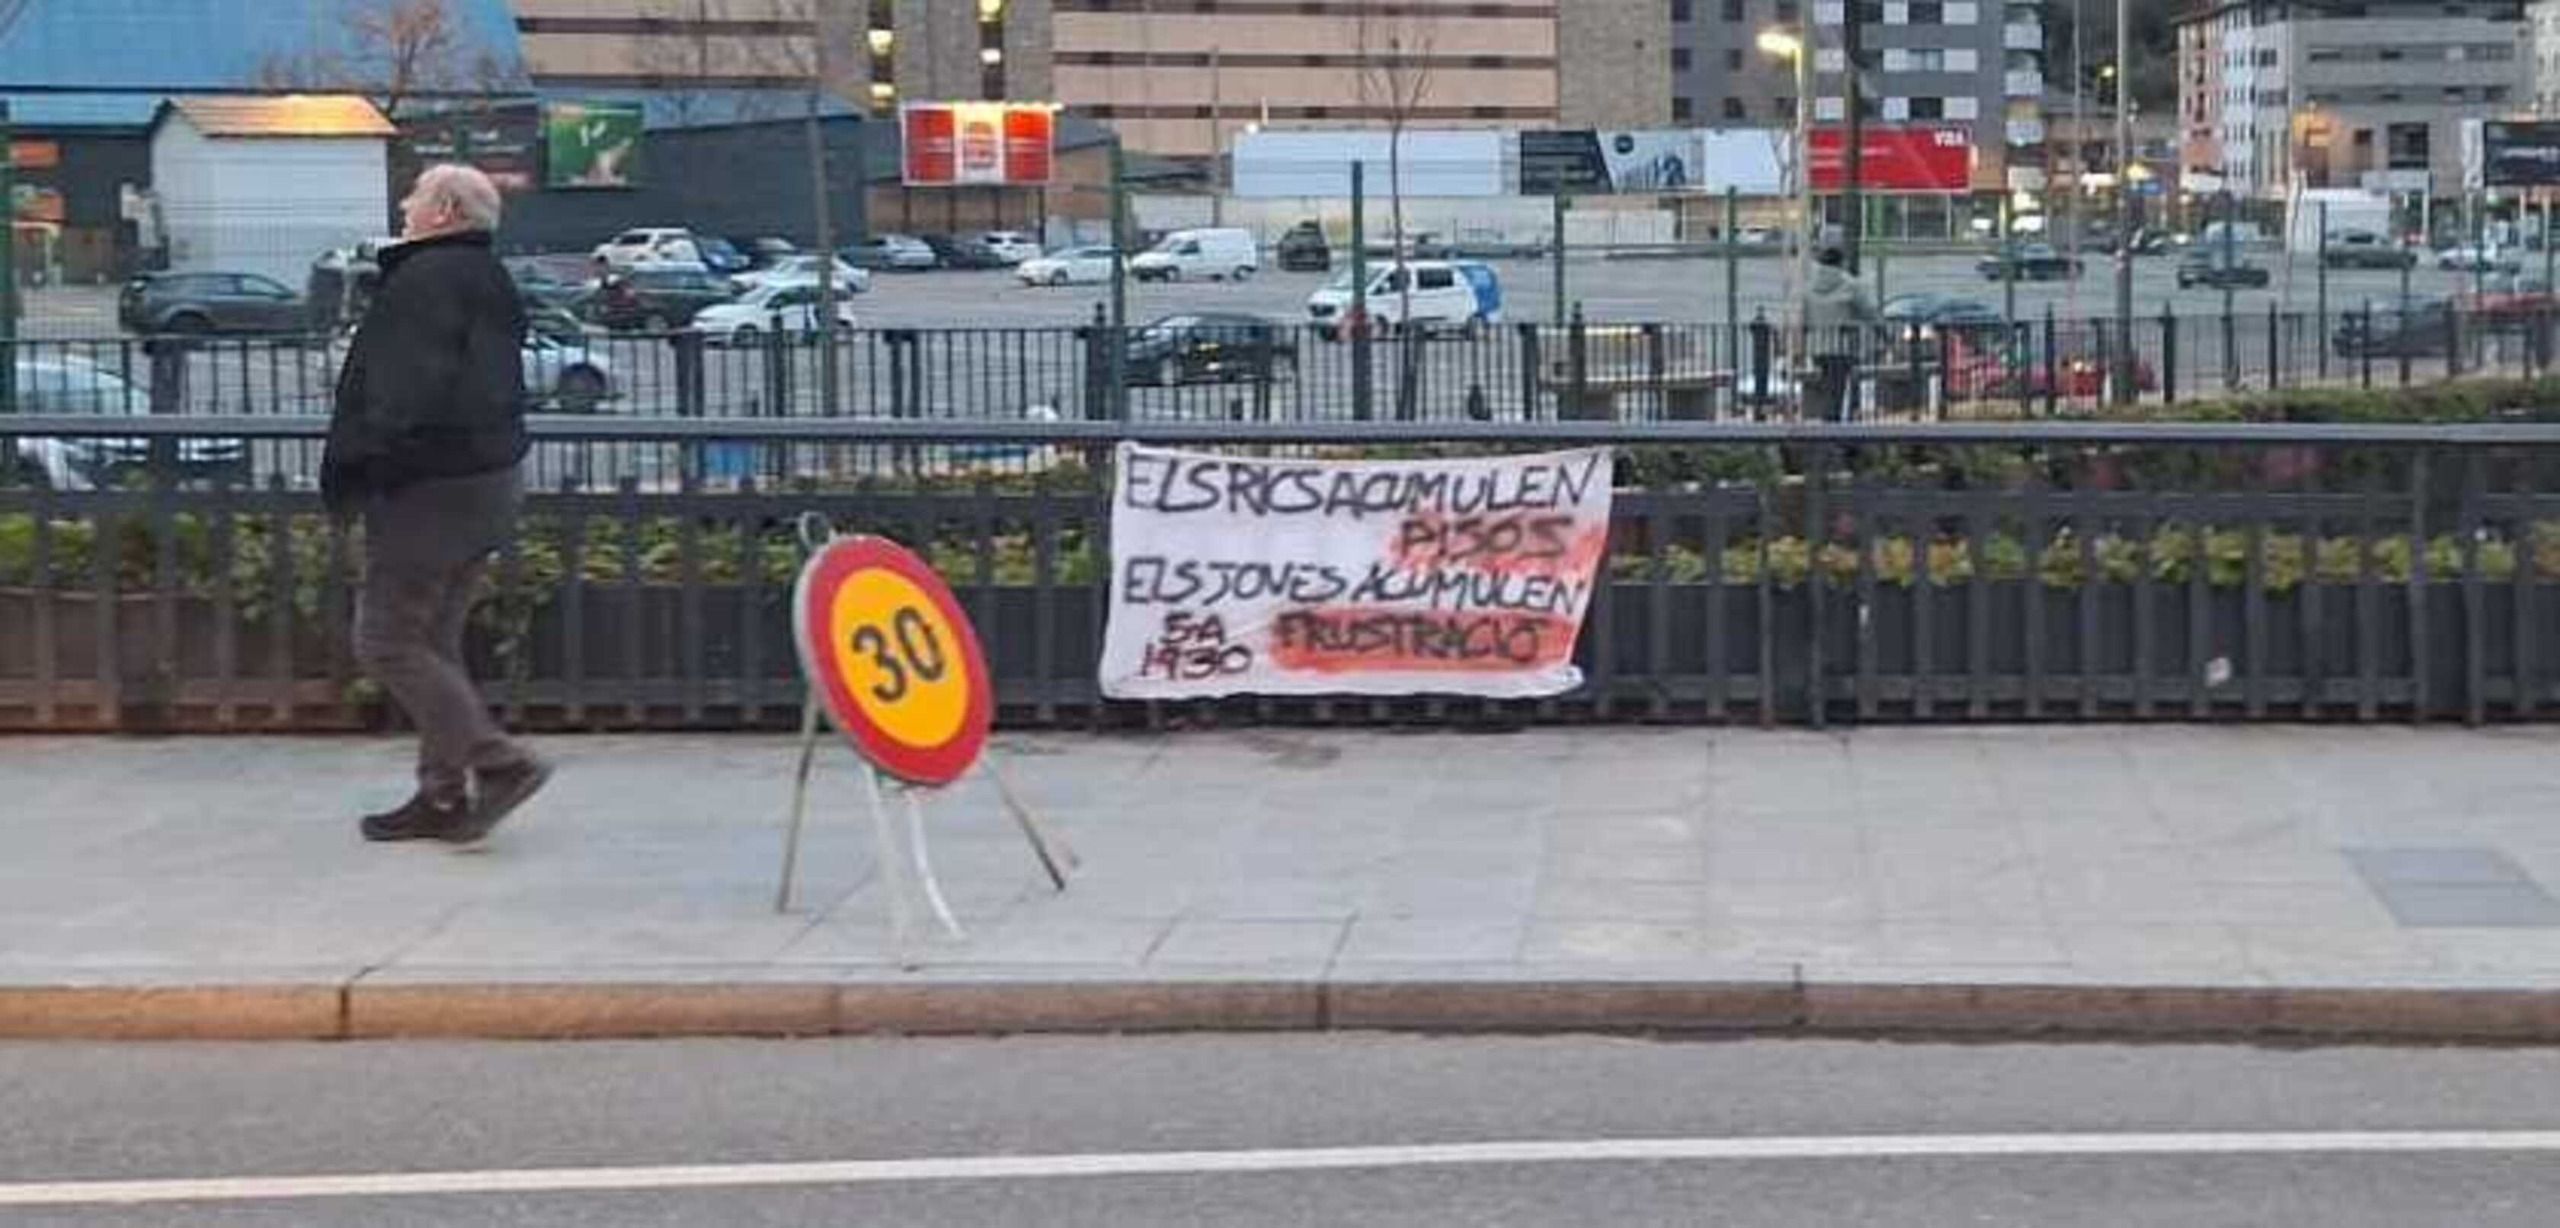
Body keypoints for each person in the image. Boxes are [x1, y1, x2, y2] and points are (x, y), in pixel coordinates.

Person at [323, 164, 550, 845]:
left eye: (417, 196)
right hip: (488, 480)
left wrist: (370, 464)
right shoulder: (488, 277)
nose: (405, 203)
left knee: (386, 640)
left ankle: (499, 763)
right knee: (435, 639)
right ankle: (442, 794)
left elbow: (405, 393)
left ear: (445, 210)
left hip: (430, 487)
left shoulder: (424, 281)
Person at [1803, 246, 1877, 422]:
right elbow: (1868, 311)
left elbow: (1804, 316)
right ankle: (1835, 421)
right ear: (1841, 263)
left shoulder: (1809, 286)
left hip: (1817, 344)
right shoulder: (1850, 285)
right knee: (1839, 385)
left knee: (1827, 383)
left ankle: (1829, 417)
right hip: (1842, 344)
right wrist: (1879, 328)